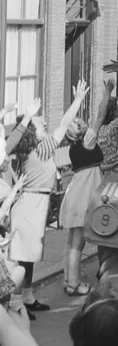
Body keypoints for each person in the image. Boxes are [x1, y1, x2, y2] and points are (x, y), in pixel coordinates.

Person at [8, 82, 89, 317]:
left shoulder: (29, 152)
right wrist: (77, 100)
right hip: (31, 206)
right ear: (33, 131)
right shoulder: (41, 150)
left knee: (28, 256)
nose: (44, 123)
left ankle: (26, 297)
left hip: (32, 205)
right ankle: (15, 303)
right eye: (40, 122)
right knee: (23, 257)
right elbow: (64, 124)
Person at [60, 116, 104, 297]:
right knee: (78, 243)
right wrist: (108, 90)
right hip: (82, 198)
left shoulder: (75, 148)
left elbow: (92, 166)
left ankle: (67, 278)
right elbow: (100, 117)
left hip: (76, 194)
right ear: (78, 129)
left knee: (72, 240)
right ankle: (74, 284)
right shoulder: (87, 141)